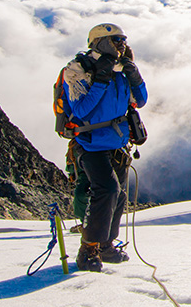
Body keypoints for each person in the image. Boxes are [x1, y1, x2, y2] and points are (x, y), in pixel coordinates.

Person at [63, 23, 147, 272]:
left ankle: (106, 246)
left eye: (123, 39)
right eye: (116, 39)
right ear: (99, 42)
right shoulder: (78, 70)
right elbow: (80, 110)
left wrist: (134, 75)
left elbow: (140, 101)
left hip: (117, 143)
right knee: (107, 189)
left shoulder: (121, 70)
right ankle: (88, 248)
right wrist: (101, 79)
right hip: (90, 144)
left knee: (118, 194)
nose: (121, 44)